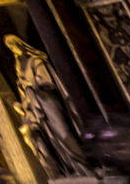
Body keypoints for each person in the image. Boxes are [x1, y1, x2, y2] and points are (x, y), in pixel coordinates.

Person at [5, 35, 87, 179]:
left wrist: (30, 86)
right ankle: (69, 170)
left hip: (46, 101)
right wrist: (22, 105)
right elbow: (23, 93)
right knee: (51, 138)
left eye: (13, 45)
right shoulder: (18, 67)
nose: (12, 49)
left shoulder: (36, 61)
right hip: (34, 107)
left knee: (63, 133)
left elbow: (46, 81)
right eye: (9, 47)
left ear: (21, 44)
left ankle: (86, 168)